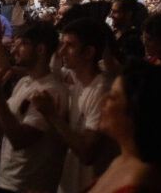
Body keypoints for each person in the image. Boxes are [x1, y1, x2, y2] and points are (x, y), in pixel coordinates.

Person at [0, 22, 69, 193]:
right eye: (15, 44)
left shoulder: (51, 91)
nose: (14, 50)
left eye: (22, 44)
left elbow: (20, 140)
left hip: (30, 186)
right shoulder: (23, 83)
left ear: (41, 50)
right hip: (7, 180)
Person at [88, 61, 161, 192]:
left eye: (113, 97)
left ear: (137, 114)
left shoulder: (142, 183)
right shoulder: (122, 160)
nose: (102, 100)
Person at [31, 18, 114, 193]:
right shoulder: (75, 78)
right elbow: (40, 71)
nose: (61, 52)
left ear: (88, 52)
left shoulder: (101, 90)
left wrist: (52, 115)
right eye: (61, 44)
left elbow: (86, 153)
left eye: (69, 46)